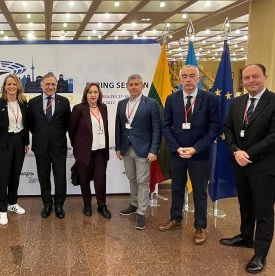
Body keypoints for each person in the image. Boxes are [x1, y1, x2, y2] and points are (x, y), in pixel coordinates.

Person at [221, 63, 275, 273]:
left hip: (263, 166)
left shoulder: (273, 101)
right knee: (245, 203)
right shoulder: (237, 102)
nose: (251, 81)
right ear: (242, 81)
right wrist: (236, 151)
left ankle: (260, 254)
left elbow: (273, 135)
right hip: (239, 163)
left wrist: (248, 153)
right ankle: (245, 237)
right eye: (246, 78)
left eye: (255, 77)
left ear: (265, 76)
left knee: (263, 210)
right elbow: (229, 129)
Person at [158, 65, 220, 245]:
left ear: (198, 79)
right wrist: (176, 147)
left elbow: (214, 128)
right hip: (177, 153)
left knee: (199, 192)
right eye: (184, 76)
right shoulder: (171, 99)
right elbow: (166, 126)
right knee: (177, 188)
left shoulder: (210, 99)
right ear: (179, 79)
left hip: (199, 154)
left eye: (192, 76)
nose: (188, 80)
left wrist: (195, 148)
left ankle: (200, 227)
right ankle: (176, 219)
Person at [115, 74, 162, 229]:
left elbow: (157, 128)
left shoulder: (151, 104)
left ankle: (141, 212)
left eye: (137, 84)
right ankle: (134, 204)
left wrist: (154, 149)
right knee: (132, 178)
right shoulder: (122, 104)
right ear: (127, 86)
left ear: (142, 86)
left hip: (144, 149)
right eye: (131, 84)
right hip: (126, 148)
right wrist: (118, 147)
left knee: (142, 181)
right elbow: (118, 127)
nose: (133, 87)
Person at [28, 72, 71, 219]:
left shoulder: (64, 102)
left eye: (53, 84)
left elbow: (67, 124)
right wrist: (42, 136)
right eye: (47, 84)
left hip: (58, 146)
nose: (50, 87)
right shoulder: (32, 103)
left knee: (60, 177)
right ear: (41, 85)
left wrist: (55, 135)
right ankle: (47, 204)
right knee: (43, 176)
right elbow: (31, 125)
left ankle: (59, 205)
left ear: (57, 85)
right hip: (41, 146)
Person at [0, 74, 29, 225]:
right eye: (8, 84)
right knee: (3, 177)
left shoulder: (23, 102)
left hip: (19, 141)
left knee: (15, 175)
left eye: (14, 84)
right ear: (4, 87)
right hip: (3, 144)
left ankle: (12, 202)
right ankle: (2, 210)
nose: (11, 87)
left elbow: (27, 125)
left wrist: (26, 142)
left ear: (18, 86)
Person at [68, 82, 111, 219]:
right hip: (83, 152)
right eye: (90, 92)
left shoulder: (103, 108)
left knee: (100, 178)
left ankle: (102, 205)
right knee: (84, 179)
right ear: (86, 94)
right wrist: (78, 146)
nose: (93, 95)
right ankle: (87, 204)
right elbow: (71, 130)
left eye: (96, 92)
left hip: (100, 151)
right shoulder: (79, 109)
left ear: (99, 94)